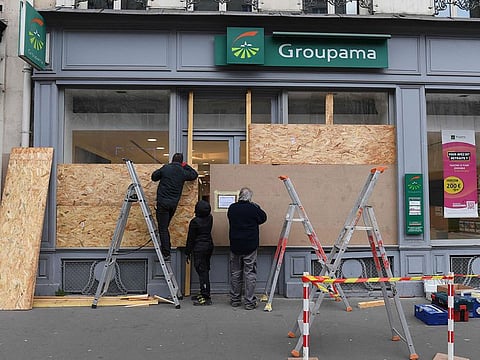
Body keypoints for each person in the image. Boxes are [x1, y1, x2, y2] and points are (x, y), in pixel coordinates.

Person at [151, 153, 198, 261]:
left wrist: (162, 169)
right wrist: (185, 165)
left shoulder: (166, 168)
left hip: (162, 203)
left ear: (172, 160)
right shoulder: (182, 171)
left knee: (163, 228)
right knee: (165, 228)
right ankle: (166, 248)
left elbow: (154, 177)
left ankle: (166, 253)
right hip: (173, 204)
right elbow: (194, 174)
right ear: (181, 162)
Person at [227, 187, 267, 310]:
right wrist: (256, 206)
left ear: (239, 196)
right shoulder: (253, 208)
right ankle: (249, 302)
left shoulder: (232, 208)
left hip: (235, 245)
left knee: (235, 273)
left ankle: (235, 299)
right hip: (250, 245)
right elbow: (263, 218)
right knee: (250, 273)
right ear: (250, 197)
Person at [185, 199, 214, 306]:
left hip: (199, 248)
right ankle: (203, 292)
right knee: (205, 269)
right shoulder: (210, 218)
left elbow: (191, 238)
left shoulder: (195, 222)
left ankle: (206, 296)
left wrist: (187, 252)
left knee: (202, 272)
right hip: (209, 246)